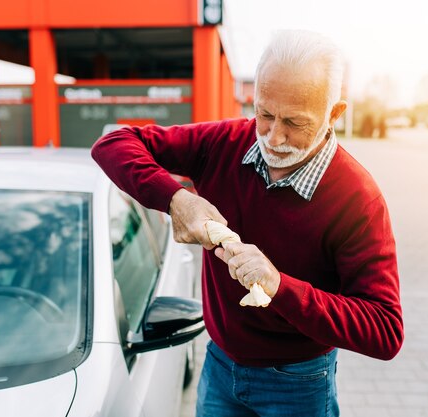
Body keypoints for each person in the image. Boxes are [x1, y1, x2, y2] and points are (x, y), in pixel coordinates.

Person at [92, 29, 403, 417]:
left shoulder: (358, 199)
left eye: (295, 122)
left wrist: (279, 286)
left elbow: (385, 329)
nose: (273, 137)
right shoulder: (223, 142)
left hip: (299, 383)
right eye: (264, 113)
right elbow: (113, 144)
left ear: (334, 113)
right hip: (220, 366)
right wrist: (175, 199)